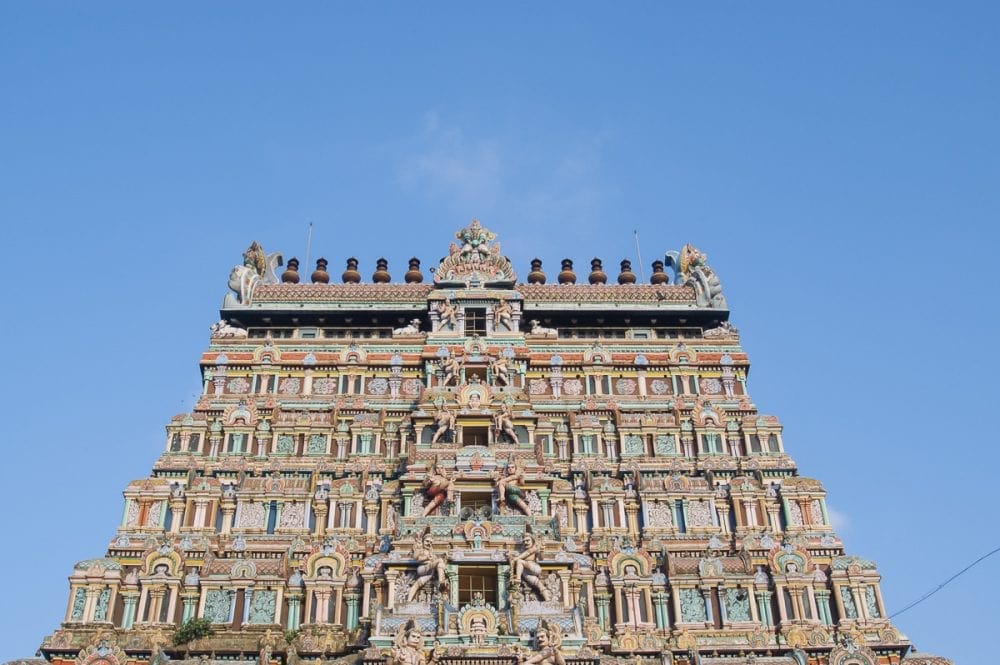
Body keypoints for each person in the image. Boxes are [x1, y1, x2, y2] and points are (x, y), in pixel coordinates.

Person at [407, 531, 449, 603]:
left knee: (417, 584)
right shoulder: (420, 550)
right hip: (423, 568)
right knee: (439, 561)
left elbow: (436, 562)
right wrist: (426, 558)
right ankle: (441, 581)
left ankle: (408, 600)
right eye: (427, 541)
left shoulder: (431, 552)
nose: (429, 543)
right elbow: (416, 558)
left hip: (430, 572)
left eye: (430, 542)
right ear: (423, 541)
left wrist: (445, 558)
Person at [509, 531, 549, 601]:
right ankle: (548, 599)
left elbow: (539, 558)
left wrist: (542, 551)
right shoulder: (522, 551)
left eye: (527, 540)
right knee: (539, 584)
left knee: (519, 561)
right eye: (524, 541)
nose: (525, 543)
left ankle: (518, 579)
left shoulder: (534, 548)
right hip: (526, 572)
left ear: (533, 541)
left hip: (534, 567)